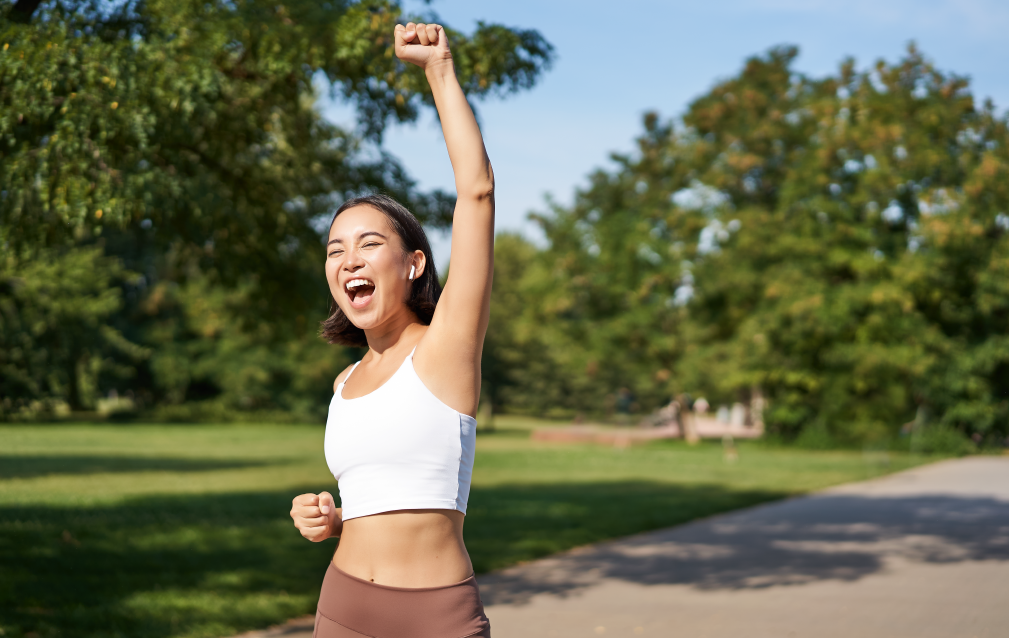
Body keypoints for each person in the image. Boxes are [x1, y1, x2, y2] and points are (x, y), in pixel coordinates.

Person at [289, 22, 495, 638]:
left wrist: (439, 69)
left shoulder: (445, 350)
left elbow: (477, 194)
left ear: (413, 263)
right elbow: (390, 490)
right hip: (343, 608)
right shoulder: (344, 382)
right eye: (335, 249)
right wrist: (330, 518)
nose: (348, 259)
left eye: (369, 243)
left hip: (436, 618)